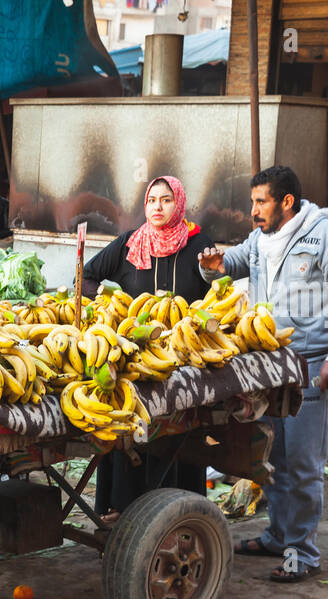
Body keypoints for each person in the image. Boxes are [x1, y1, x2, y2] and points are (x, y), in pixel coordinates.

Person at [198, 165, 328, 582]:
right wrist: (213, 264)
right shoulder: (261, 238)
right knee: (270, 457)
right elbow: (236, 260)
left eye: (260, 202)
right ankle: (277, 535)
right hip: (267, 364)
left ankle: (302, 554)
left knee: (304, 464)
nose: (253, 210)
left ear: (286, 201)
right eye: (252, 202)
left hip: (308, 363)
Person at [82, 175, 214, 519]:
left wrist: (211, 275)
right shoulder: (130, 243)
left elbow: (215, 292)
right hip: (135, 358)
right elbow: (86, 275)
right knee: (130, 430)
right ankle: (123, 510)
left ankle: (180, 513)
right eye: (152, 200)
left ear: (179, 203)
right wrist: (104, 299)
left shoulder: (198, 245)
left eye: (166, 200)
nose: (158, 206)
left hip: (187, 359)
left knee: (179, 438)